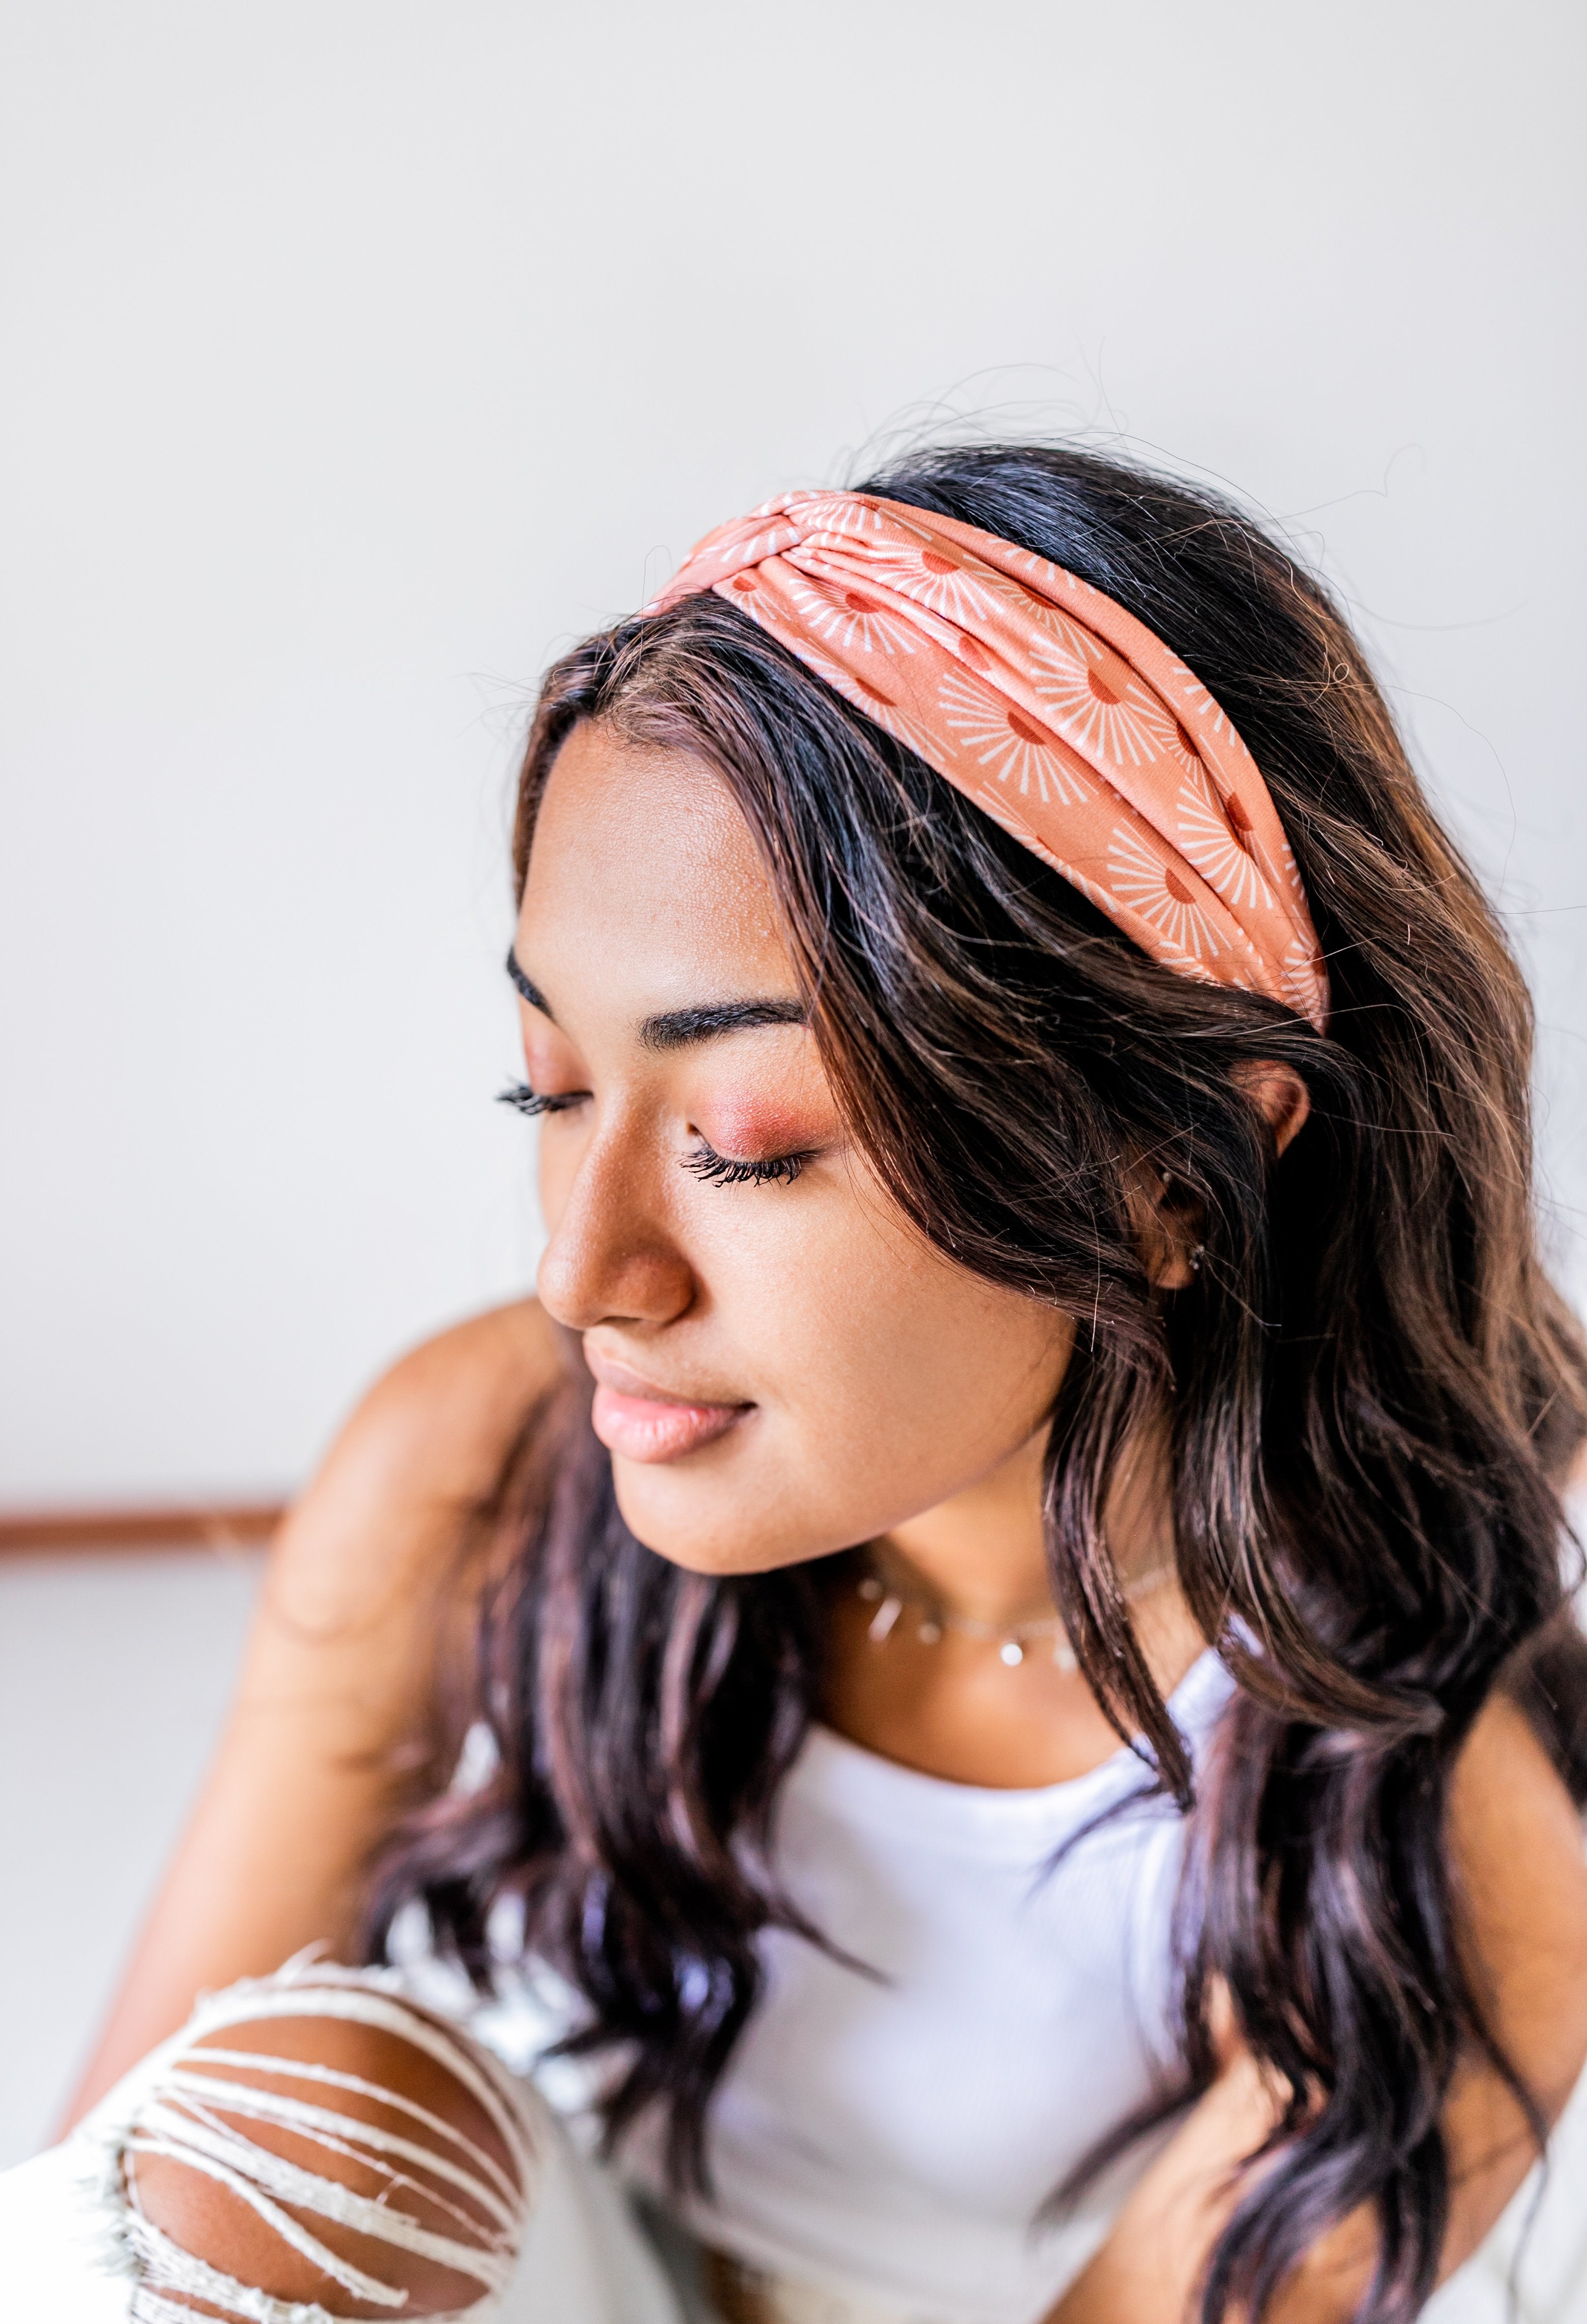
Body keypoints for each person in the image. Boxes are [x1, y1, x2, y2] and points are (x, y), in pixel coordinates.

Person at [22, 447, 1587, 2321]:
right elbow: (94, 2220)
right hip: (618, 2272)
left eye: (749, 1144)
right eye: (555, 1090)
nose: (581, 1276)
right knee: (250, 2145)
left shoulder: (1429, 1823)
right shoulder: (474, 1462)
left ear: (1179, 1172)